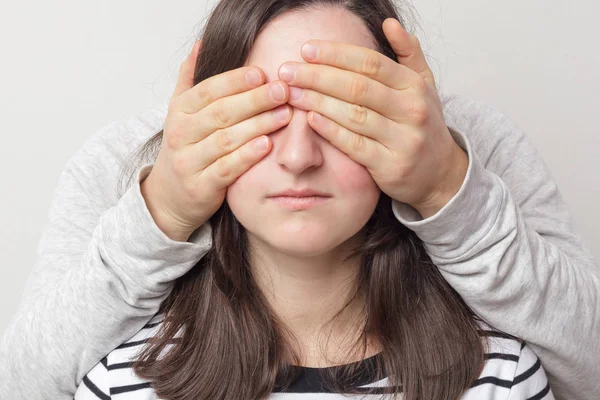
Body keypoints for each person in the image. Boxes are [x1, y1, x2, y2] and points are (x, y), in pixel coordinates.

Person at [0, 0, 597, 399]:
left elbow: (588, 367)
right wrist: (164, 211)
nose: (298, 155)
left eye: (337, 115)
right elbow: (29, 381)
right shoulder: (128, 156)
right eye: (269, 113)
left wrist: (446, 187)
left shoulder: (461, 139)